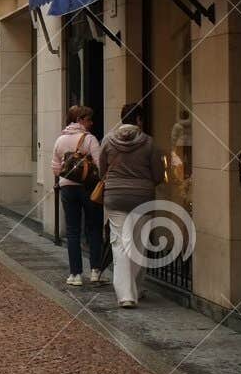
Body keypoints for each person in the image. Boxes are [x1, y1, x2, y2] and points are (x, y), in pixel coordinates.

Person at [101, 102, 163, 309]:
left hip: (115, 198)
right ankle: (133, 288)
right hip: (142, 198)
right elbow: (157, 174)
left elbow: (102, 170)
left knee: (119, 245)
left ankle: (126, 294)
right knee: (138, 245)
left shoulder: (108, 141)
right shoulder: (149, 143)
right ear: (138, 120)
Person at [51, 105, 105, 287]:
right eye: (89, 119)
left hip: (67, 188)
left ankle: (75, 274)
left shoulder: (60, 140)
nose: (91, 123)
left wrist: (63, 178)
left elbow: (56, 167)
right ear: (81, 120)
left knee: (73, 231)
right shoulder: (90, 139)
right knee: (94, 228)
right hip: (88, 188)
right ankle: (96, 271)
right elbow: (100, 164)